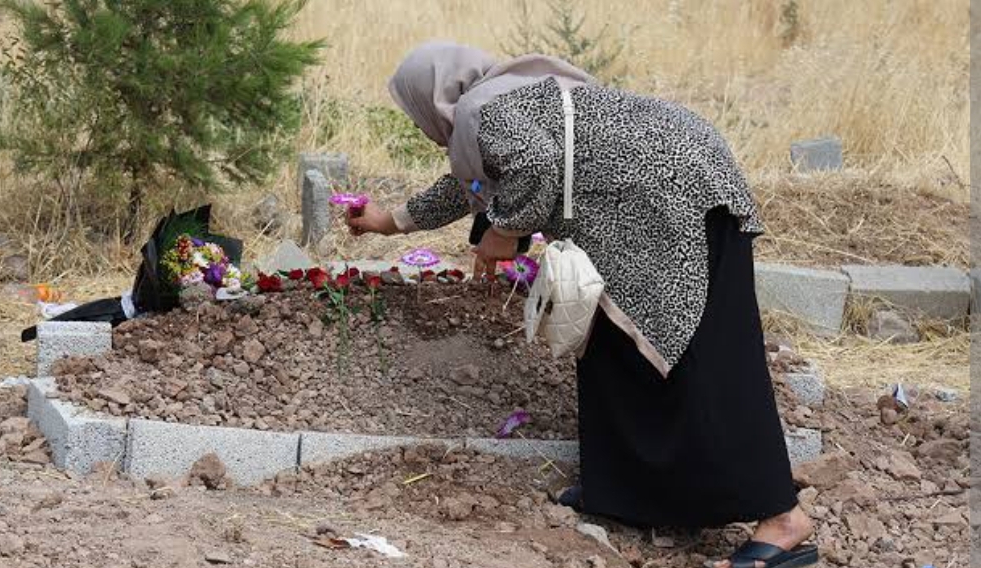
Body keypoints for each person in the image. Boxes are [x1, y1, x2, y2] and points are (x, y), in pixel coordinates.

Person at [346, 41, 818, 568]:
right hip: (663, 193)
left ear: (432, 96)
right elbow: (473, 184)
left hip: (681, 199)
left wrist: (504, 231)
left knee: (708, 358)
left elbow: (536, 164)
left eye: (415, 114)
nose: (419, 127)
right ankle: (630, 493)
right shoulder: (497, 103)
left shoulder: (487, 112)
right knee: (616, 344)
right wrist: (392, 221)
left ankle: (783, 519)